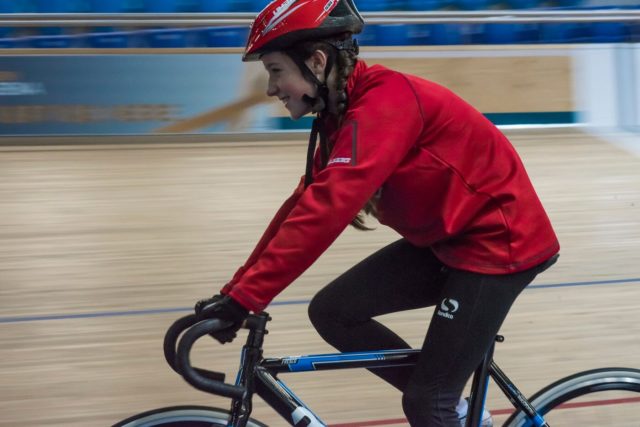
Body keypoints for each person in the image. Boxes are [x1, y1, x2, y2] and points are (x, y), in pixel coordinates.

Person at [194, 0, 560, 425]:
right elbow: (305, 203)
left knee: (427, 403)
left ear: (316, 61)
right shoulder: (338, 112)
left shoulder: (384, 103)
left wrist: (246, 298)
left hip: (498, 246)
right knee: (333, 312)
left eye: (275, 71)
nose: (271, 89)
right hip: (448, 239)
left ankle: (443, 402)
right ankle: (453, 403)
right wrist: (236, 291)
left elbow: (330, 207)